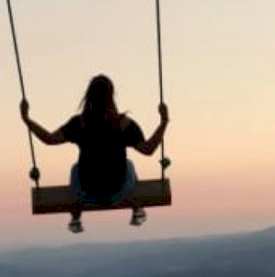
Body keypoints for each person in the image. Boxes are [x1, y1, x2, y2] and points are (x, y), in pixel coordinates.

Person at [20, 74, 170, 233]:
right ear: (111, 97)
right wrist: (164, 121)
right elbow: (148, 149)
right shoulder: (123, 124)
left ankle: (76, 216)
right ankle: (137, 209)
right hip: (118, 192)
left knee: (75, 169)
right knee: (129, 165)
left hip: (87, 193)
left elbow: (49, 139)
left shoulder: (80, 123)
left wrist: (27, 119)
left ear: (88, 97)